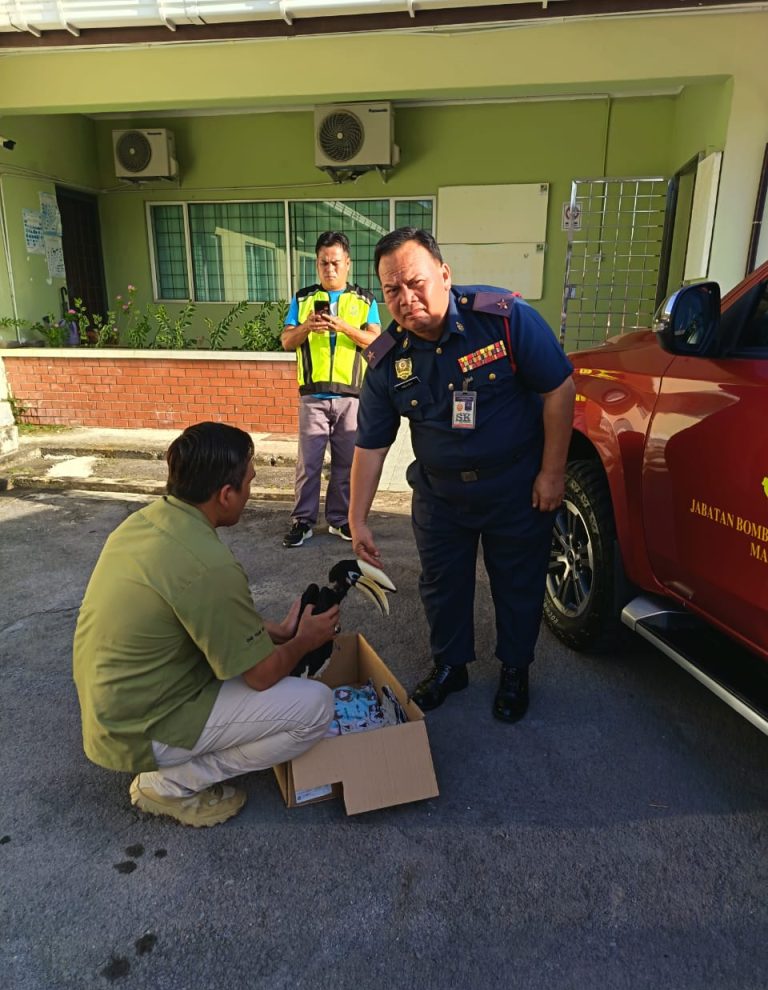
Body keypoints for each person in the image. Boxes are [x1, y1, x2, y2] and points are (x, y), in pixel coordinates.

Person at [349, 228, 575, 723]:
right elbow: (371, 444)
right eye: (392, 290)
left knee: (517, 583)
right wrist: (357, 518)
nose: (406, 298)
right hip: (440, 495)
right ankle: (451, 666)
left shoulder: (504, 320)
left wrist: (552, 473)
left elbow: (559, 388)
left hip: (515, 487)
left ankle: (514, 670)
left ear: (445, 274)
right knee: (442, 585)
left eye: (415, 282)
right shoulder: (388, 358)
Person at [72, 421, 339, 827]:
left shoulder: (146, 522)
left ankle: (172, 763)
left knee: (261, 666)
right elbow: (262, 676)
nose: (250, 492)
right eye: (249, 482)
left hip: (113, 709)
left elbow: (197, 611)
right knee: (316, 707)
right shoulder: (209, 565)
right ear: (226, 494)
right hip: (141, 727)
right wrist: (304, 640)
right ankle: (172, 783)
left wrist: (279, 632)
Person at [280, 230, 381, 548]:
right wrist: (307, 326)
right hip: (313, 396)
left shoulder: (365, 300)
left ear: (348, 263)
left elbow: (377, 343)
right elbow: (286, 341)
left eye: (336, 262)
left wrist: (344, 327)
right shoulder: (303, 299)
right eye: (324, 263)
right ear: (317, 264)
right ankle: (302, 520)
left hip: (351, 397)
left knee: (346, 464)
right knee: (308, 464)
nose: (330, 269)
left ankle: (339, 520)